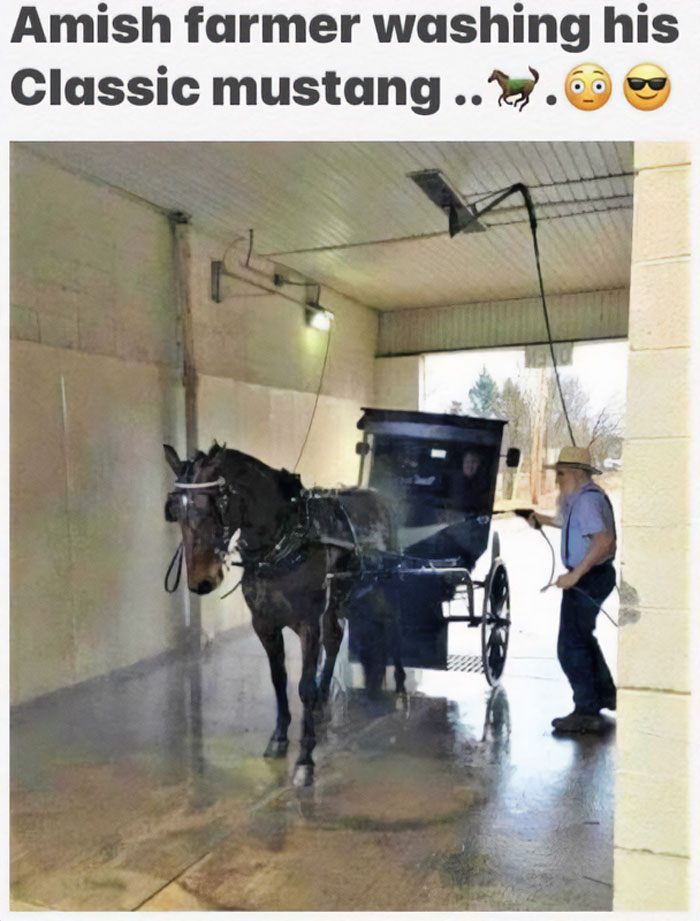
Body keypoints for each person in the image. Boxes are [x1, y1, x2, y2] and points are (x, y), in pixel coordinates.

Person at [529, 445, 617, 734]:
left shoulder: (587, 501)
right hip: (590, 577)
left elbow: (602, 542)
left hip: (589, 578)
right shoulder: (580, 499)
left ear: (579, 474)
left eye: (562, 473)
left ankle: (586, 711)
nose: (557, 479)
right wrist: (540, 519)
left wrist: (576, 575)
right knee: (583, 639)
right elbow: (569, 525)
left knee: (570, 647)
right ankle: (604, 695)